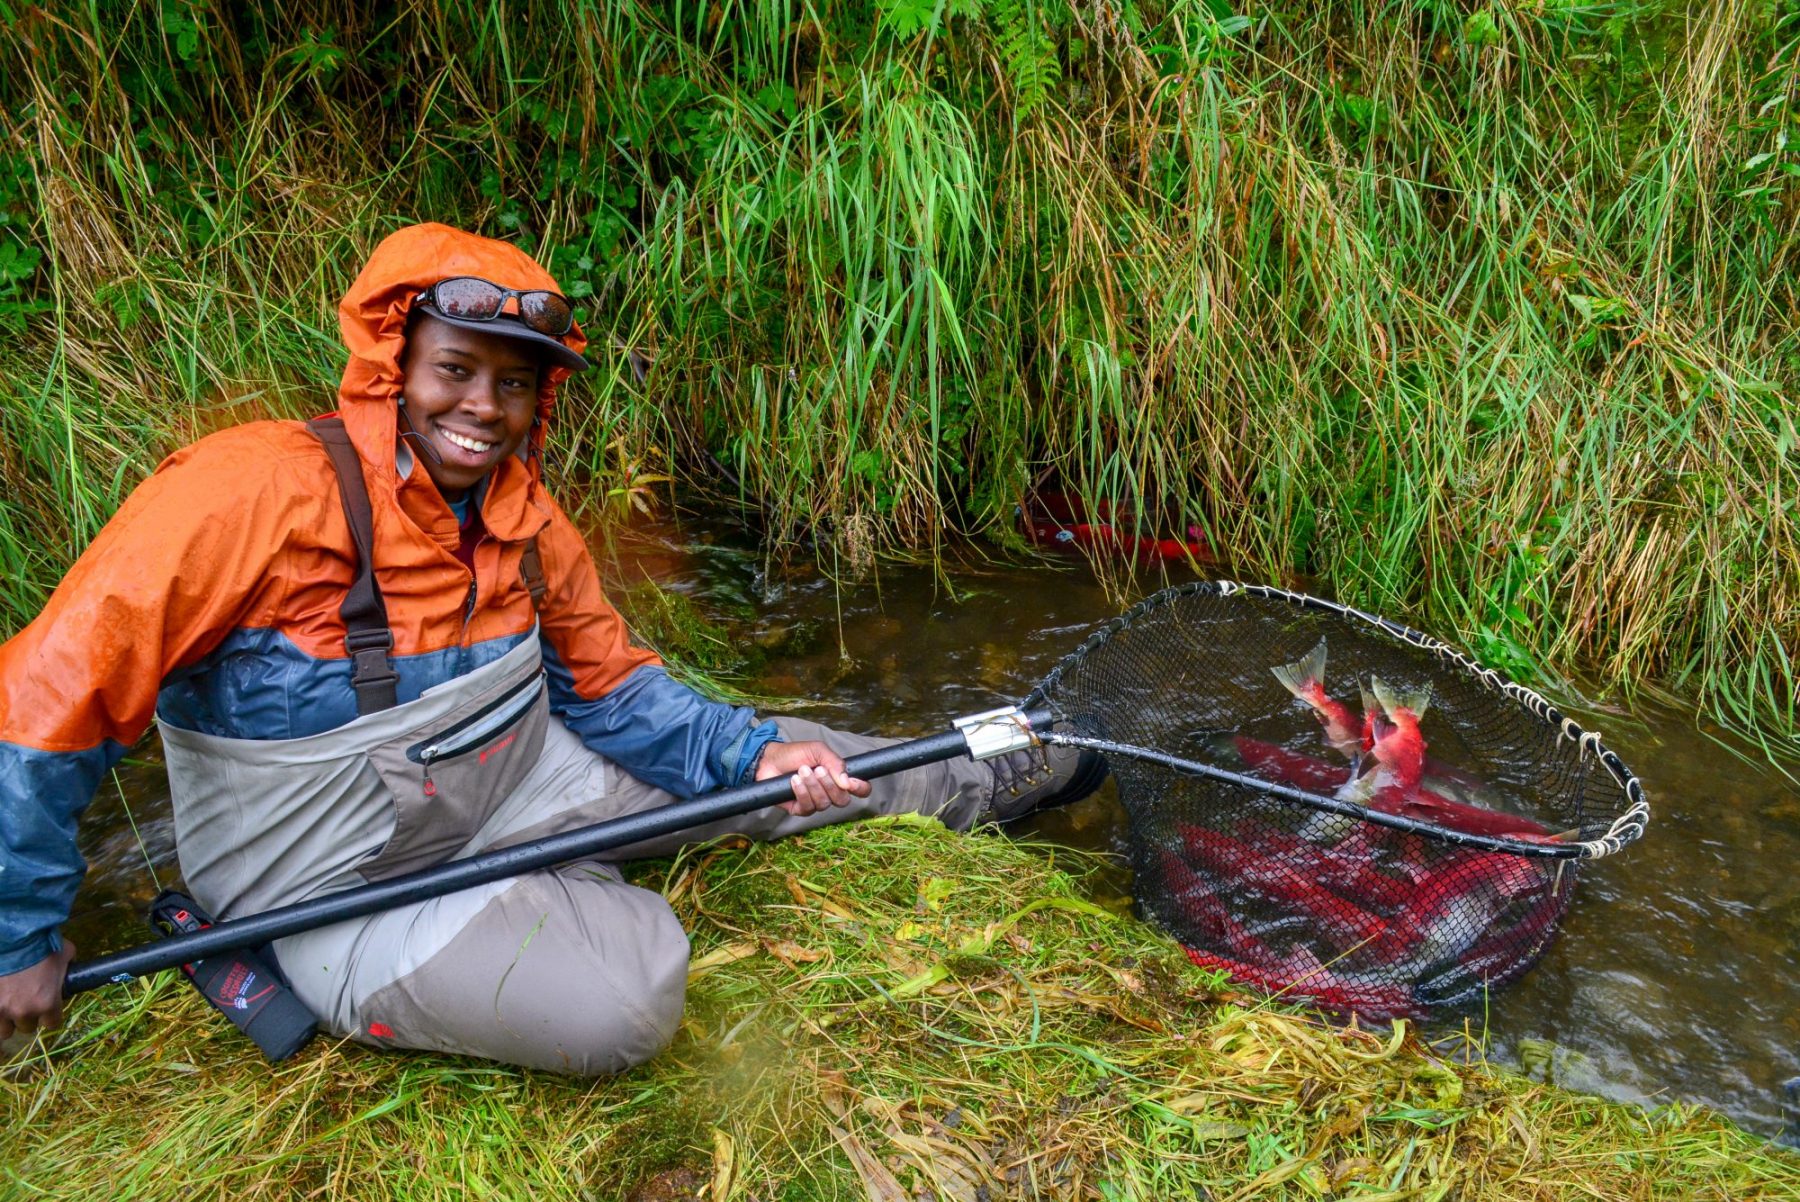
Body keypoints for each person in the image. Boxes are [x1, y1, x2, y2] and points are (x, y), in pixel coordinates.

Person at [0, 223, 1105, 1073]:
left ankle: (1039, 760)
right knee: (626, 1004)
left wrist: (741, 757)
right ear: (395, 365)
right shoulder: (243, 492)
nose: (484, 406)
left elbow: (612, 686)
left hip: (530, 780)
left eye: (514, 382)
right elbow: (46, 703)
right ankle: (579, 885)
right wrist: (19, 935)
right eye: (457, 370)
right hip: (335, 885)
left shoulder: (527, 517)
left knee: (802, 764)